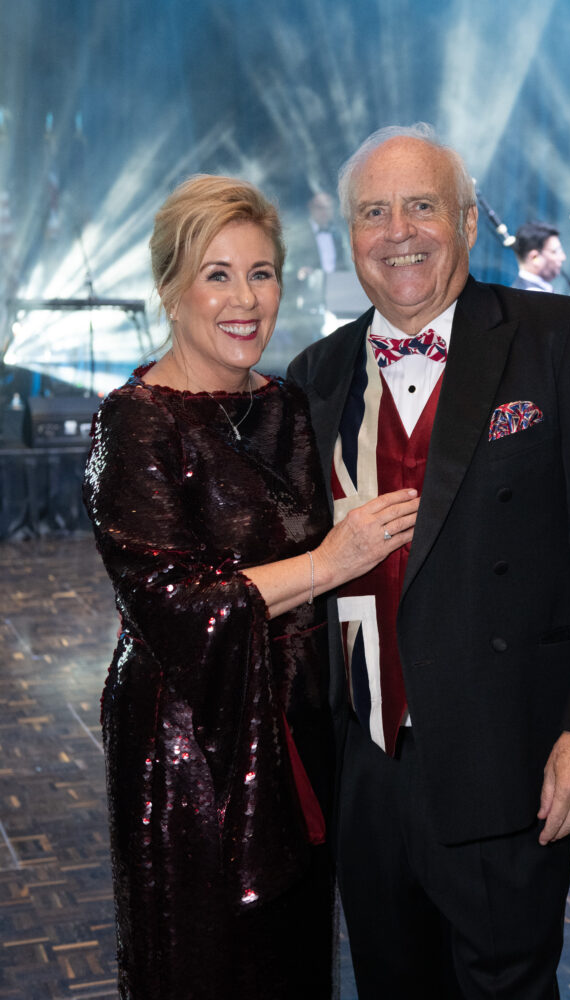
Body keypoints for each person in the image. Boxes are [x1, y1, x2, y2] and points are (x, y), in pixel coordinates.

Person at [288, 124, 570, 999]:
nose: (398, 231)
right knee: (389, 983)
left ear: (461, 218)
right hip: (365, 766)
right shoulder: (317, 371)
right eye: (373, 212)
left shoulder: (553, 335)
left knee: (506, 985)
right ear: (350, 237)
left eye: (421, 205)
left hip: (510, 759)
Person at [82, 174, 419, 1000]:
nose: (245, 298)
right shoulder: (136, 421)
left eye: (261, 272)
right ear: (169, 288)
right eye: (217, 273)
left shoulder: (287, 405)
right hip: (190, 745)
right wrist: (329, 564)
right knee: (209, 964)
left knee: (296, 960)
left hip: (301, 726)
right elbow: (170, 602)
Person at [511, 220, 566, 292]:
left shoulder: (521, 291)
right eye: (555, 252)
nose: (563, 257)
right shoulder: (533, 296)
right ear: (534, 257)